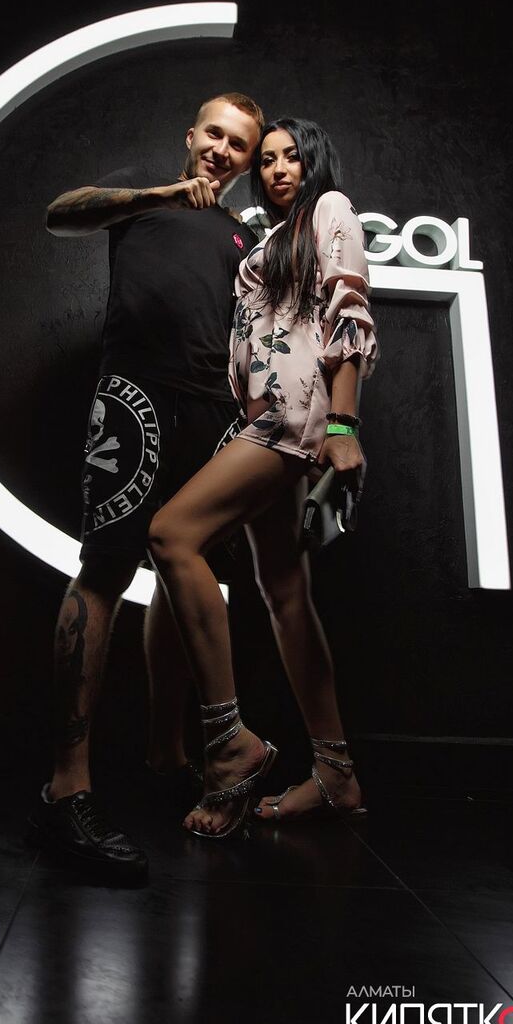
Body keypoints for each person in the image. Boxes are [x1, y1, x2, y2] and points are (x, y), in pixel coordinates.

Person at [26, 93, 265, 879]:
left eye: (239, 144)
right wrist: (162, 193)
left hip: (214, 411)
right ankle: (66, 791)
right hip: (136, 394)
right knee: (104, 568)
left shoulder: (243, 235)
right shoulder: (141, 197)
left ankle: (167, 756)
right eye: (214, 134)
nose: (222, 149)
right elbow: (61, 214)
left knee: (187, 568)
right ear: (191, 136)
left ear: (247, 160)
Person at [148, 117, 378, 837]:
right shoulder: (271, 235)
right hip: (260, 415)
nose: (278, 169)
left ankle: (230, 745)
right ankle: (337, 775)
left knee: (172, 535)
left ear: (315, 162)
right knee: (284, 594)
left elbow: (348, 311)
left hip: (292, 416)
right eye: (268, 159)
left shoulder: (329, 210)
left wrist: (343, 426)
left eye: (292, 157)